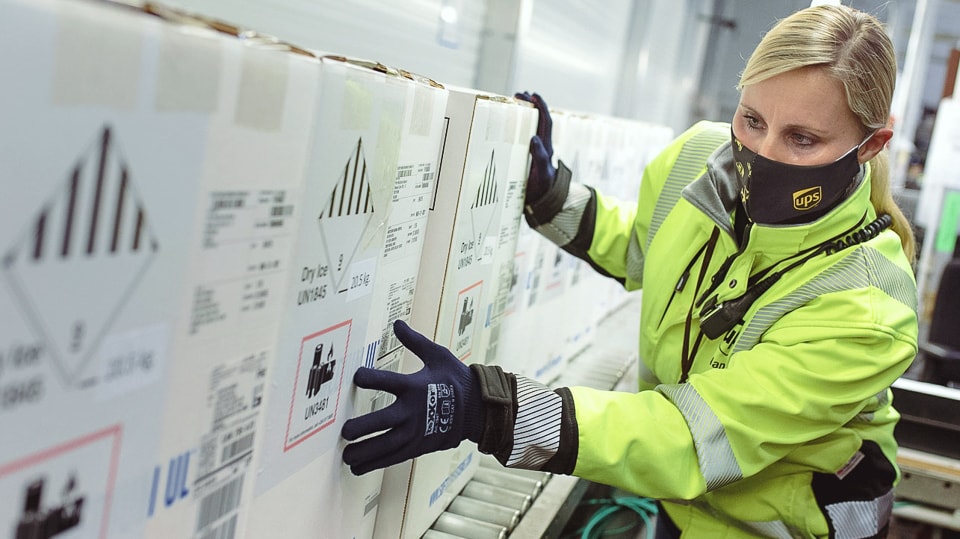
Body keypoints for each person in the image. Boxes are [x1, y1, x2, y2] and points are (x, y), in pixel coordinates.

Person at [341, 5, 919, 538]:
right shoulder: (701, 160)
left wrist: (490, 408)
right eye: (751, 119)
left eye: (802, 139)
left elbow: (692, 440)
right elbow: (646, 247)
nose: (760, 154)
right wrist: (552, 196)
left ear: (870, 145)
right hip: (678, 506)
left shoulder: (866, 310)